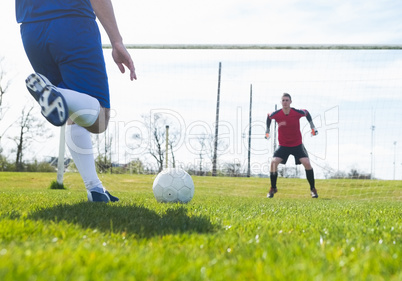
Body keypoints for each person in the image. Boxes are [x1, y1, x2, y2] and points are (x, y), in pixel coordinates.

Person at [16, 0, 136, 202]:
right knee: (99, 118)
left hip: (30, 30)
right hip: (72, 24)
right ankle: (58, 93)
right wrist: (116, 40)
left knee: (74, 108)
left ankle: (95, 189)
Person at [265, 93, 319, 198]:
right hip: (283, 145)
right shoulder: (276, 114)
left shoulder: (296, 112)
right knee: (273, 163)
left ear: (290, 102)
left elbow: (306, 112)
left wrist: (312, 127)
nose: (285, 102)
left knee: (307, 163)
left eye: (287, 100)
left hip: (297, 145)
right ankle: (273, 188)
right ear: (281, 102)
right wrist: (267, 130)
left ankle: (313, 189)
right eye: (283, 100)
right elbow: (268, 116)